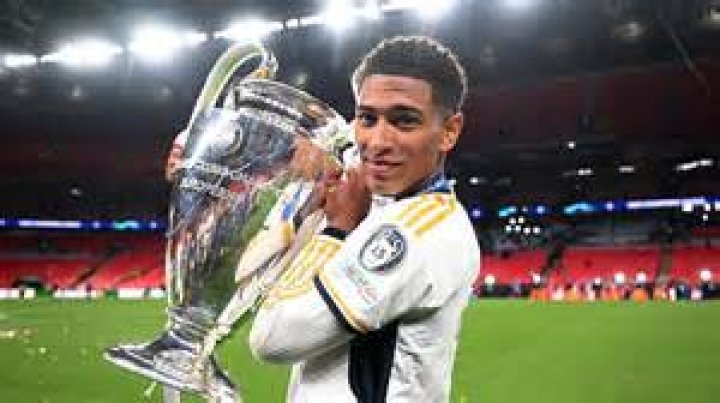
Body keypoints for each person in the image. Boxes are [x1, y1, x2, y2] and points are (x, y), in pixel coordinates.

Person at [248, 36, 480, 402]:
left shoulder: (421, 230)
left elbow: (273, 338)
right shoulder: (370, 203)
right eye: (367, 118)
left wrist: (335, 231)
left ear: (449, 131)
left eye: (404, 121)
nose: (377, 141)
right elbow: (251, 278)